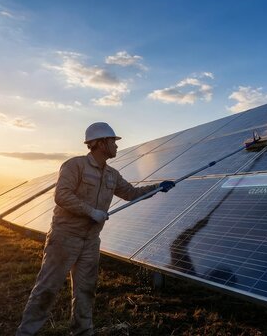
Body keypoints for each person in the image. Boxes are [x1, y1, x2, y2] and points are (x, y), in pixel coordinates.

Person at [16, 122, 175, 335]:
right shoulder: (75, 166)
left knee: (85, 291)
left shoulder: (112, 174)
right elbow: (62, 195)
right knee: (47, 288)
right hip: (65, 238)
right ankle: (26, 332)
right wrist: (90, 211)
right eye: (113, 141)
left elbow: (131, 193)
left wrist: (157, 188)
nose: (116, 146)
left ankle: (82, 332)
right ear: (100, 143)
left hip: (91, 241)